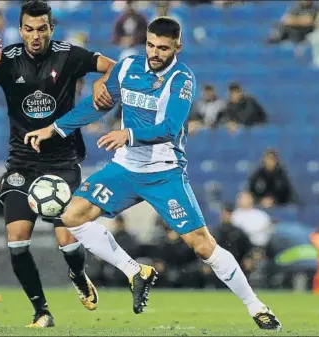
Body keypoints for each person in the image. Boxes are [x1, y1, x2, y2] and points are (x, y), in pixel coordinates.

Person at [24, 16, 282, 330]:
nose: (154, 53)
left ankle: (256, 307)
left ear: (177, 47)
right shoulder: (127, 67)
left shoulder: (182, 79)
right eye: (150, 45)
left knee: (201, 244)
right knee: (73, 216)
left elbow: (171, 128)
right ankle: (136, 272)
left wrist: (128, 134)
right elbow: (97, 104)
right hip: (125, 168)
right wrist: (54, 128)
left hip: (164, 173)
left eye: (162, 47)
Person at [0, 0, 120, 328]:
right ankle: (41, 310)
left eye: (42, 29)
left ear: (51, 28)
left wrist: (102, 83)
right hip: (22, 164)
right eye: (29, 29)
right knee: (17, 241)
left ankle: (77, 274)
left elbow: (115, 67)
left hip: (62, 162)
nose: (35, 36)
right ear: (21, 30)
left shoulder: (70, 54)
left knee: (67, 242)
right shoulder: (7, 60)